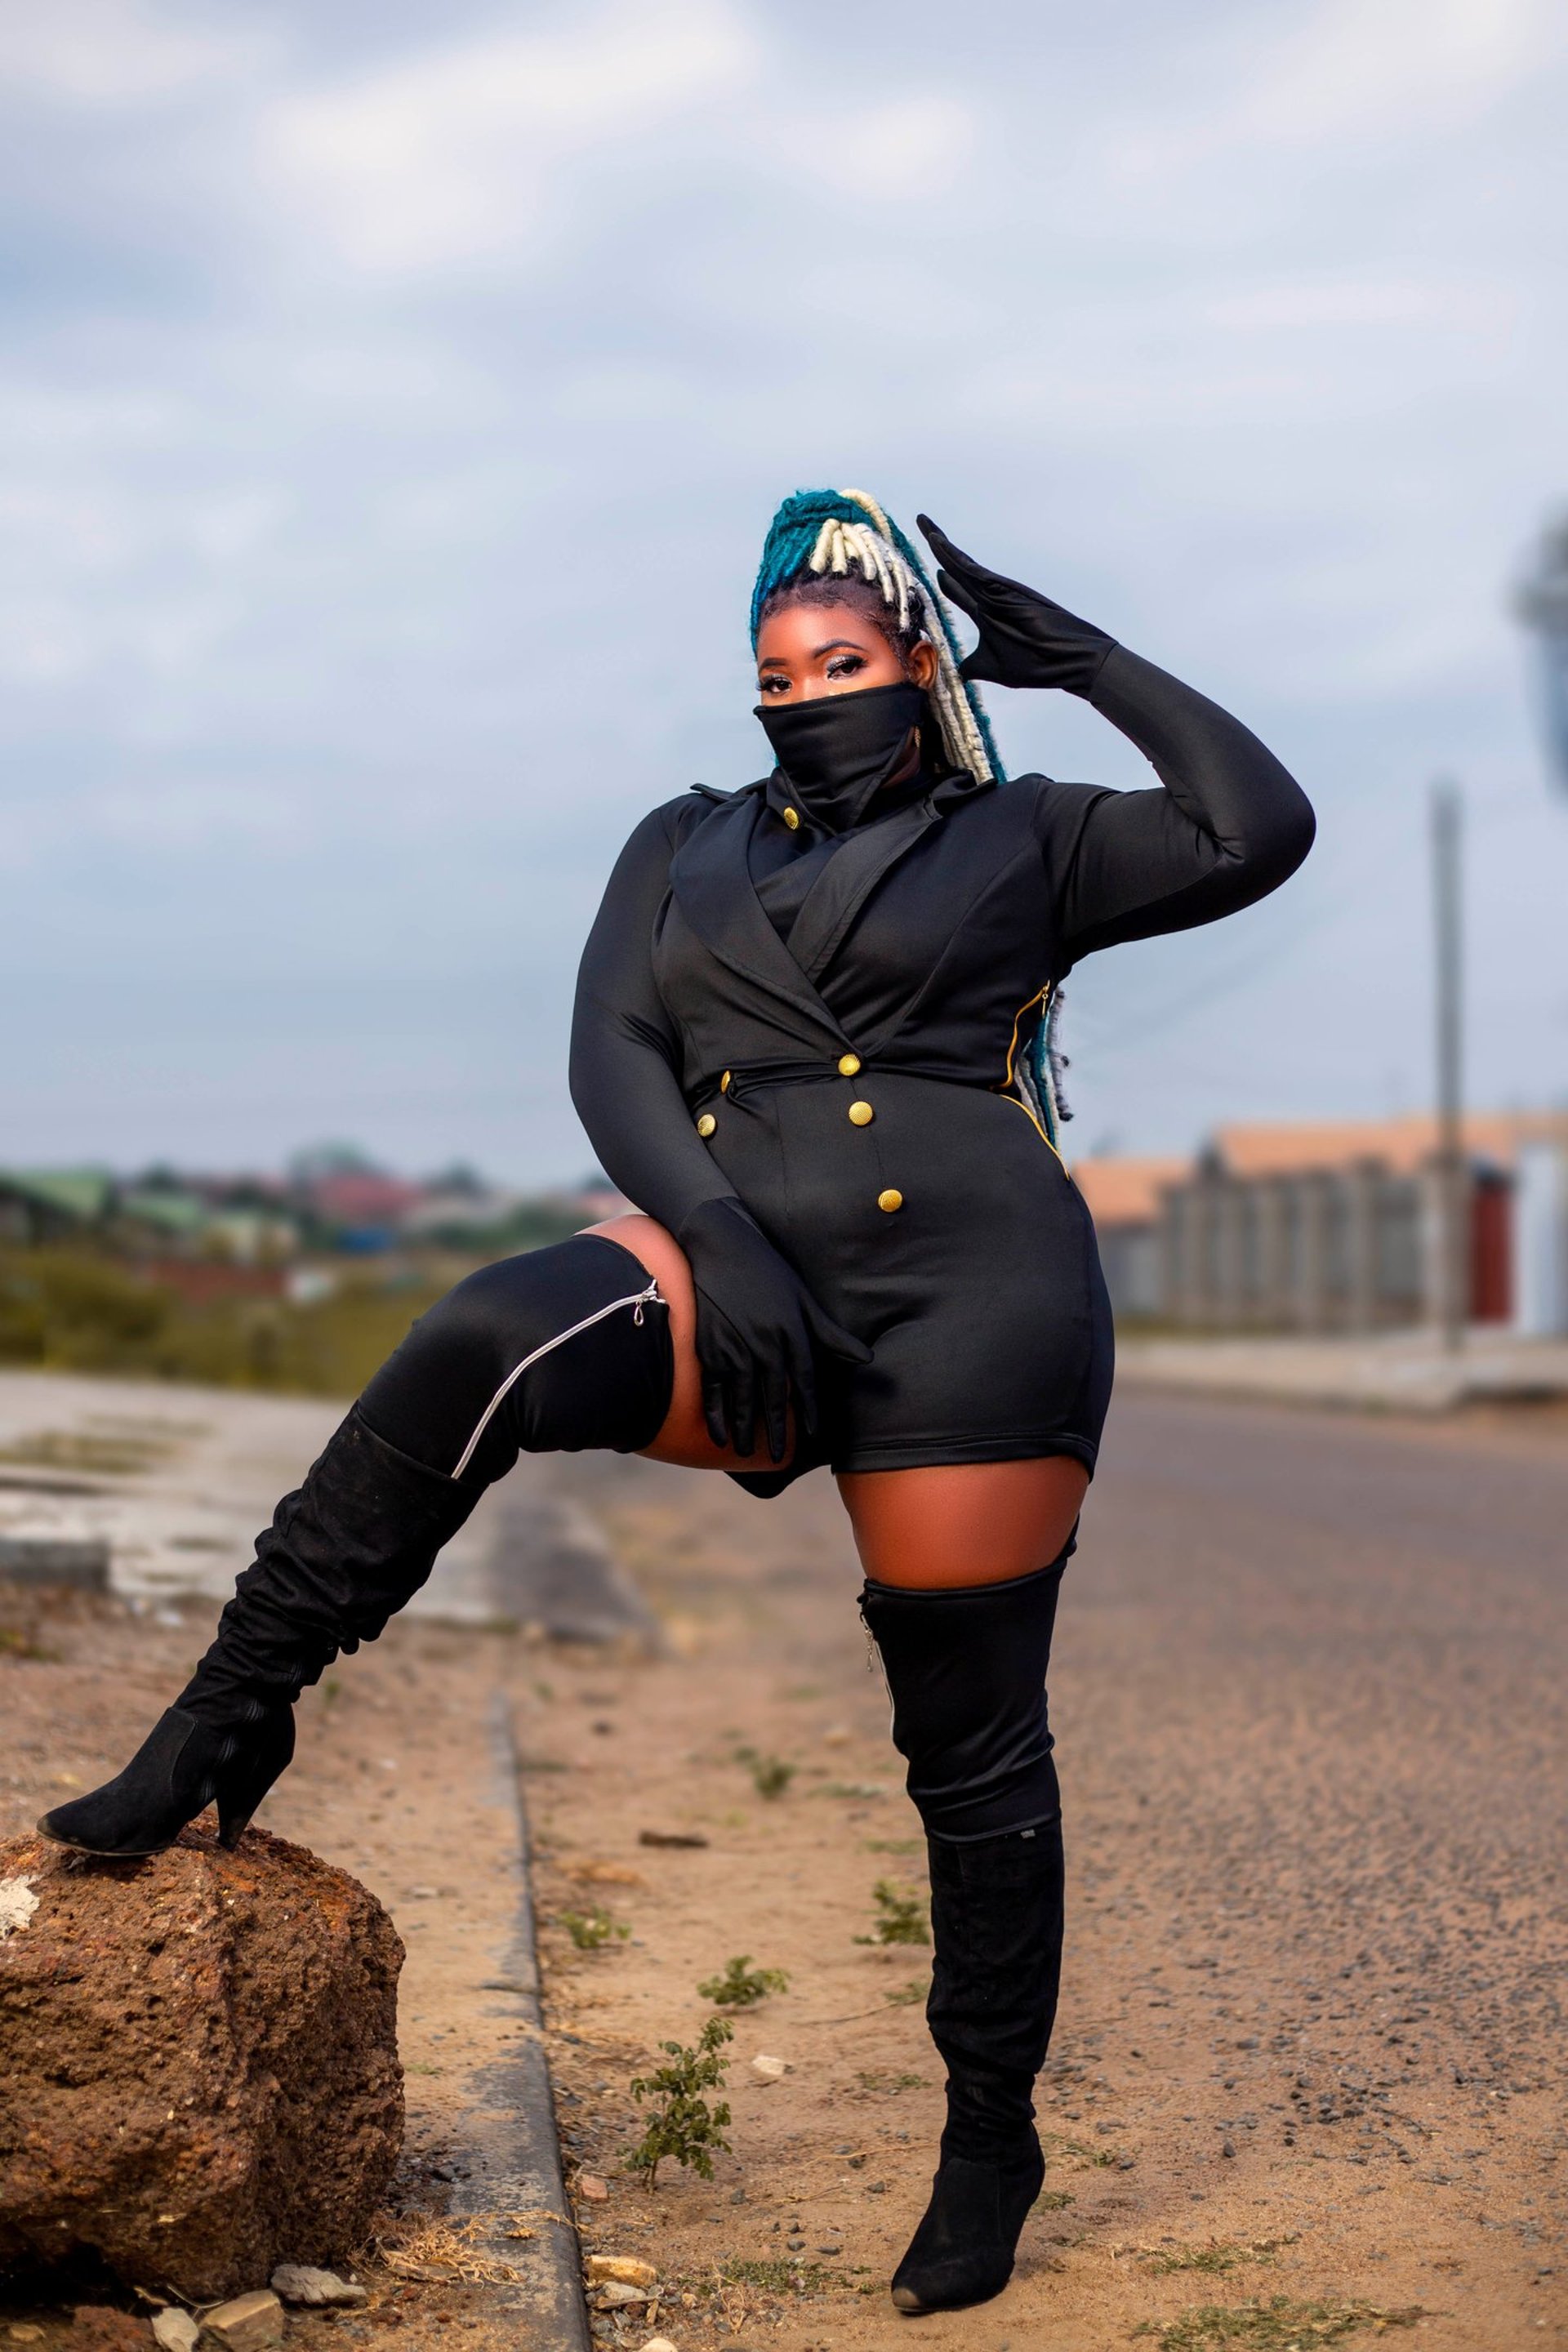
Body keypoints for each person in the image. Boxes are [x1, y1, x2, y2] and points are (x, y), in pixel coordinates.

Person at [41, 488, 1314, 2316]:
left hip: (975, 1309)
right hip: (739, 1270)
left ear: (922, 668)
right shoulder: (682, 840)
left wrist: (1089, 661)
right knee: (488, 1330)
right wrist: (719, 1238)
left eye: (843, 665)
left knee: (968, 1750)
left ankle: (988, 2138)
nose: (804, 699)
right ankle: (228, 1713)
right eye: (775, 675)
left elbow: (1257, 825)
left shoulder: (1028, 834)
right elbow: (614, 1048)